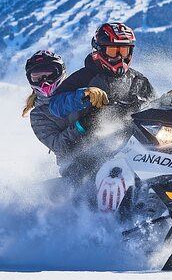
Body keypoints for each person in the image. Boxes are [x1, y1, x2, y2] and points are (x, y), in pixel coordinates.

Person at [49, 22, 156, 174]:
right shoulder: (83, 78)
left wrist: (170, 101)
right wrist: (83, 94)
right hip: (83, 151)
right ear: (99, 50)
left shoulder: (137, 79)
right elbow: (55, 106)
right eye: (113, 51)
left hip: (130, 147)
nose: (120, 57)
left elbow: (154, 104)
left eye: (124, 51)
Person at [22, 50, 108, 179]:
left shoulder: (81, 90)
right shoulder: (38, 115)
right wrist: (83, 125)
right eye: (37, 78)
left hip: (106, 149)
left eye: (49, 74)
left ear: (60, 72)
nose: (44, 82)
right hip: (76, 168)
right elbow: (59, 146)